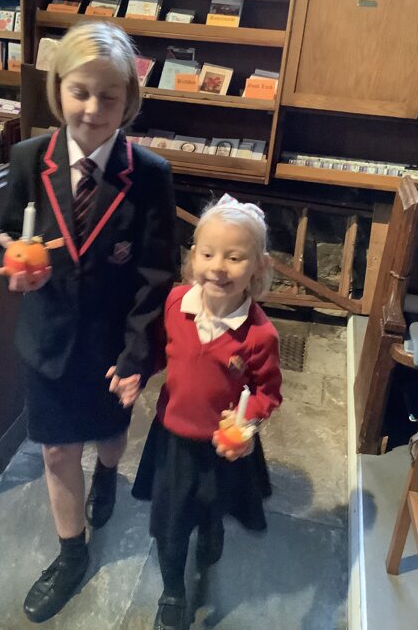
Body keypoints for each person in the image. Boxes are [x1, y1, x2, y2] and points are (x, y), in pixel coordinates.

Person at [0, 21, 176, 623]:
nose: (93, 109)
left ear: (129, 101)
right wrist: (15, 259)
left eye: (109, 96)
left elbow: (156, 273)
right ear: (57, 89)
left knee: (109, 433)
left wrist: (138, 355)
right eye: (80, 92)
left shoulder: (148, 173)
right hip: (47, 338)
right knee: (55, 452)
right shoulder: (28, 158)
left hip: (113, 344)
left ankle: (108, 473)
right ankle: (71, 554)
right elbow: (9, 225)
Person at [132, 193, 282, 630]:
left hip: (223, 447)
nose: (219, 267)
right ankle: (173, 591)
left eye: (234, 257)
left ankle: (212, 528)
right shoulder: (175, 304)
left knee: (214, 504)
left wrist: (248, 419)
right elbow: (158, 353)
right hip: (174, 438)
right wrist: (133, 372)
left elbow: (268, 392)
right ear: (193, 256)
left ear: (257, 267)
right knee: (171, 522)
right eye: (209, 254)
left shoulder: (259, 335)